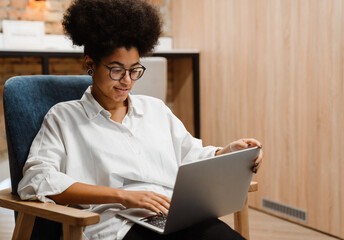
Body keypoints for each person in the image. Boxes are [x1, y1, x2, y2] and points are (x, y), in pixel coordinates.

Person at [17, 0, 263, 239]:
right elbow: (37, 180)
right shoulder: (63, 117)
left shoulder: (155, 110)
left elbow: (191, 157)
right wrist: (122, 196)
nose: (127, 80)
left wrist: (227, 153)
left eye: (134, 70)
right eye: (116, 70)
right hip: (114, 225)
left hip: (173, 216)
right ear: (91, 64)